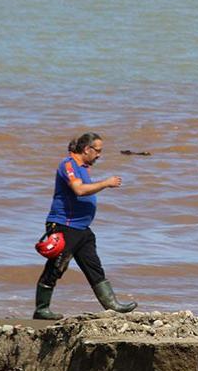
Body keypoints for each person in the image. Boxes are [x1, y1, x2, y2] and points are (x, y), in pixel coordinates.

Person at [32, 132, 137, 320]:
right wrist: (106, 183)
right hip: (65, 225)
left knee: (93, 266)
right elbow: (79, 190)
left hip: (81, 229)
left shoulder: (83, 167)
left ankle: (112, 305)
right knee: (56, 267)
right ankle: (41, 309)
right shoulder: (68, 165)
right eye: (98, 151)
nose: (99, 155)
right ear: (87, 149)